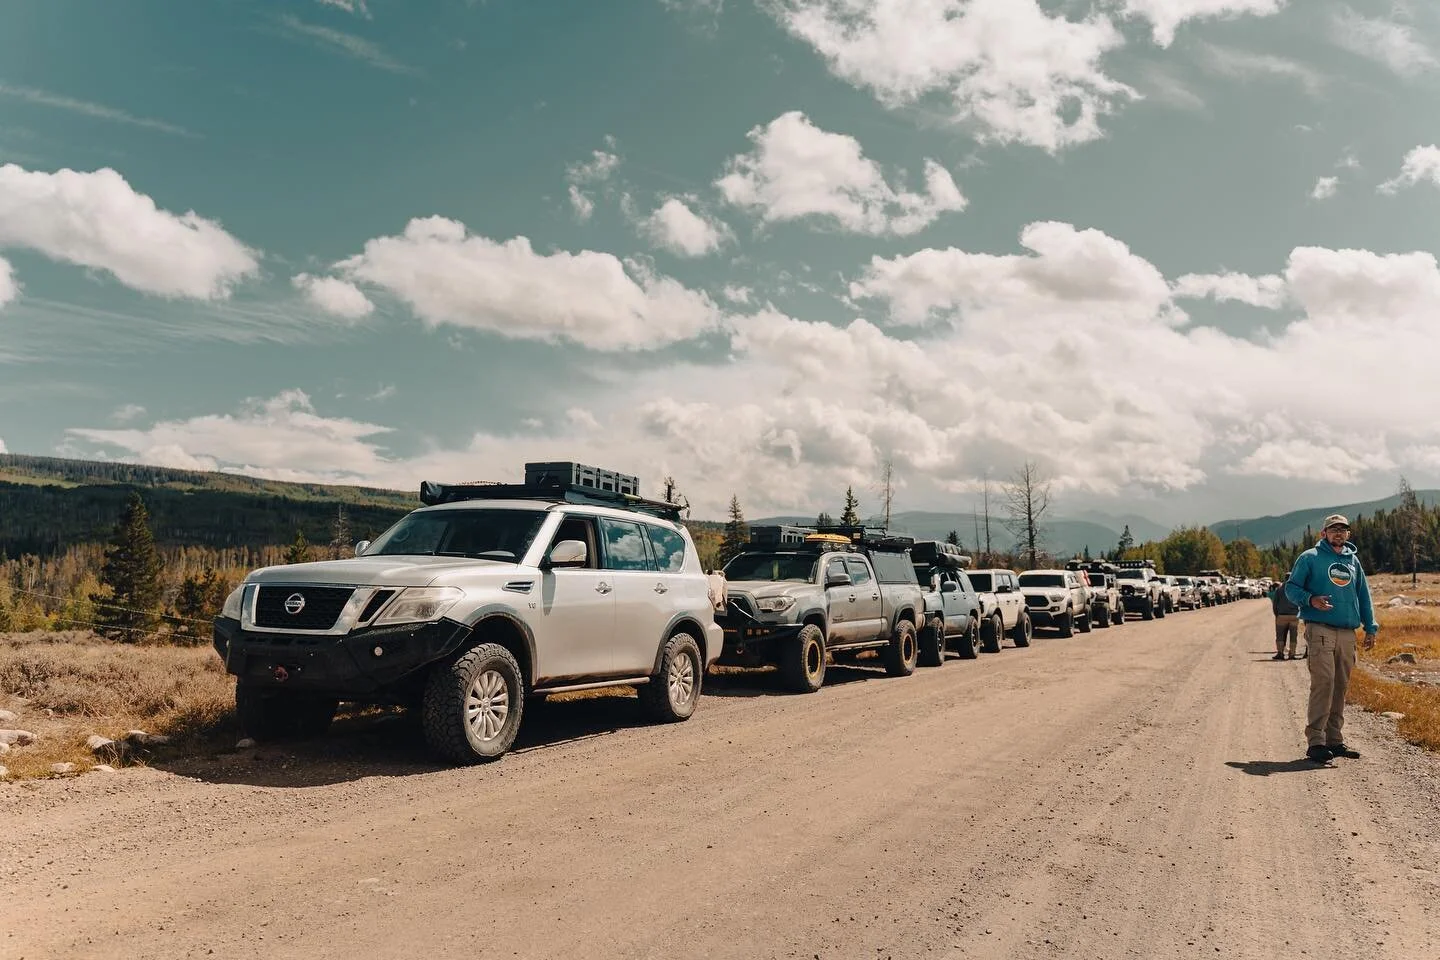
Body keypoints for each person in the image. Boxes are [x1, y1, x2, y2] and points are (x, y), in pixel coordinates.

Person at [1284, 515, 1378, 763]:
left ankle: (1334, 740)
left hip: (1348, 632)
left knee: (1340, 686)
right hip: (1320, 629)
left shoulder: (1353, 561)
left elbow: (1363, 596)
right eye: (1333, 529)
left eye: (1343, 530)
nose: (1339, 533)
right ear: (1323, 533)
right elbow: (1291, 588)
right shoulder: (1309, 558)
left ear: (1348, 534)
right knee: (1324, 683)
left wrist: (1371, 627)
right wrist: (1310, 599)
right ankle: (1316, 741)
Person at [1268, 578, 1301, 660]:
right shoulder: (1296, 590)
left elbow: (1275, 604)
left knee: (1280, 635)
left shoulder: (1279, 590)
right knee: (1293, 636)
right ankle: (1292, 654)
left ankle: (1280, 653)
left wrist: (1277, 615)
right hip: (1294, 616)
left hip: (1282, 615)